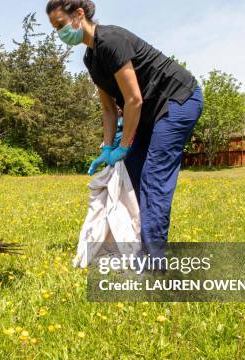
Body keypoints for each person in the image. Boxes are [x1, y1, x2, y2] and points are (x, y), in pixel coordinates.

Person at [47, 0, 204, 258]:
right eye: (55, 28)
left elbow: (133, 100)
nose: (59, 33)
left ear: (78, 15)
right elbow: (109, 109)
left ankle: (153, 259)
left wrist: (124, 145)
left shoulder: (111, 40)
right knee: (129, 173)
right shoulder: (91, 58)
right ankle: (133, 244)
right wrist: (108, 148)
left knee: (153, 177)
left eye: (61, 25)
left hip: (178, 100)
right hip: (149, 111)